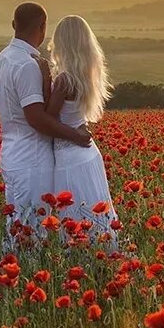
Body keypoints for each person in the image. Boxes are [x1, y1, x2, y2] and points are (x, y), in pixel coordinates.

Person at [0, 2, 91, 252]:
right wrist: (76, 136)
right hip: (32, 158)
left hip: (11, 153)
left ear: (14, 25)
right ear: (42, 27)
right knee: (31, 229)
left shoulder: (2, 58)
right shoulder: (27, 65)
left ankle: (10, 276)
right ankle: (26, 280)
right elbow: (36, 118)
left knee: (15, 227)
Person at [37, 15, 118, 250]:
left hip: (69, 156)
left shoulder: (64, 79)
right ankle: (101, 257)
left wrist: (44, 79)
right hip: (88, 154)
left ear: (63, 42)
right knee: (94, 213)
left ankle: (80, 263)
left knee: (72, 216)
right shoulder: (87, 74)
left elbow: (48, 117)